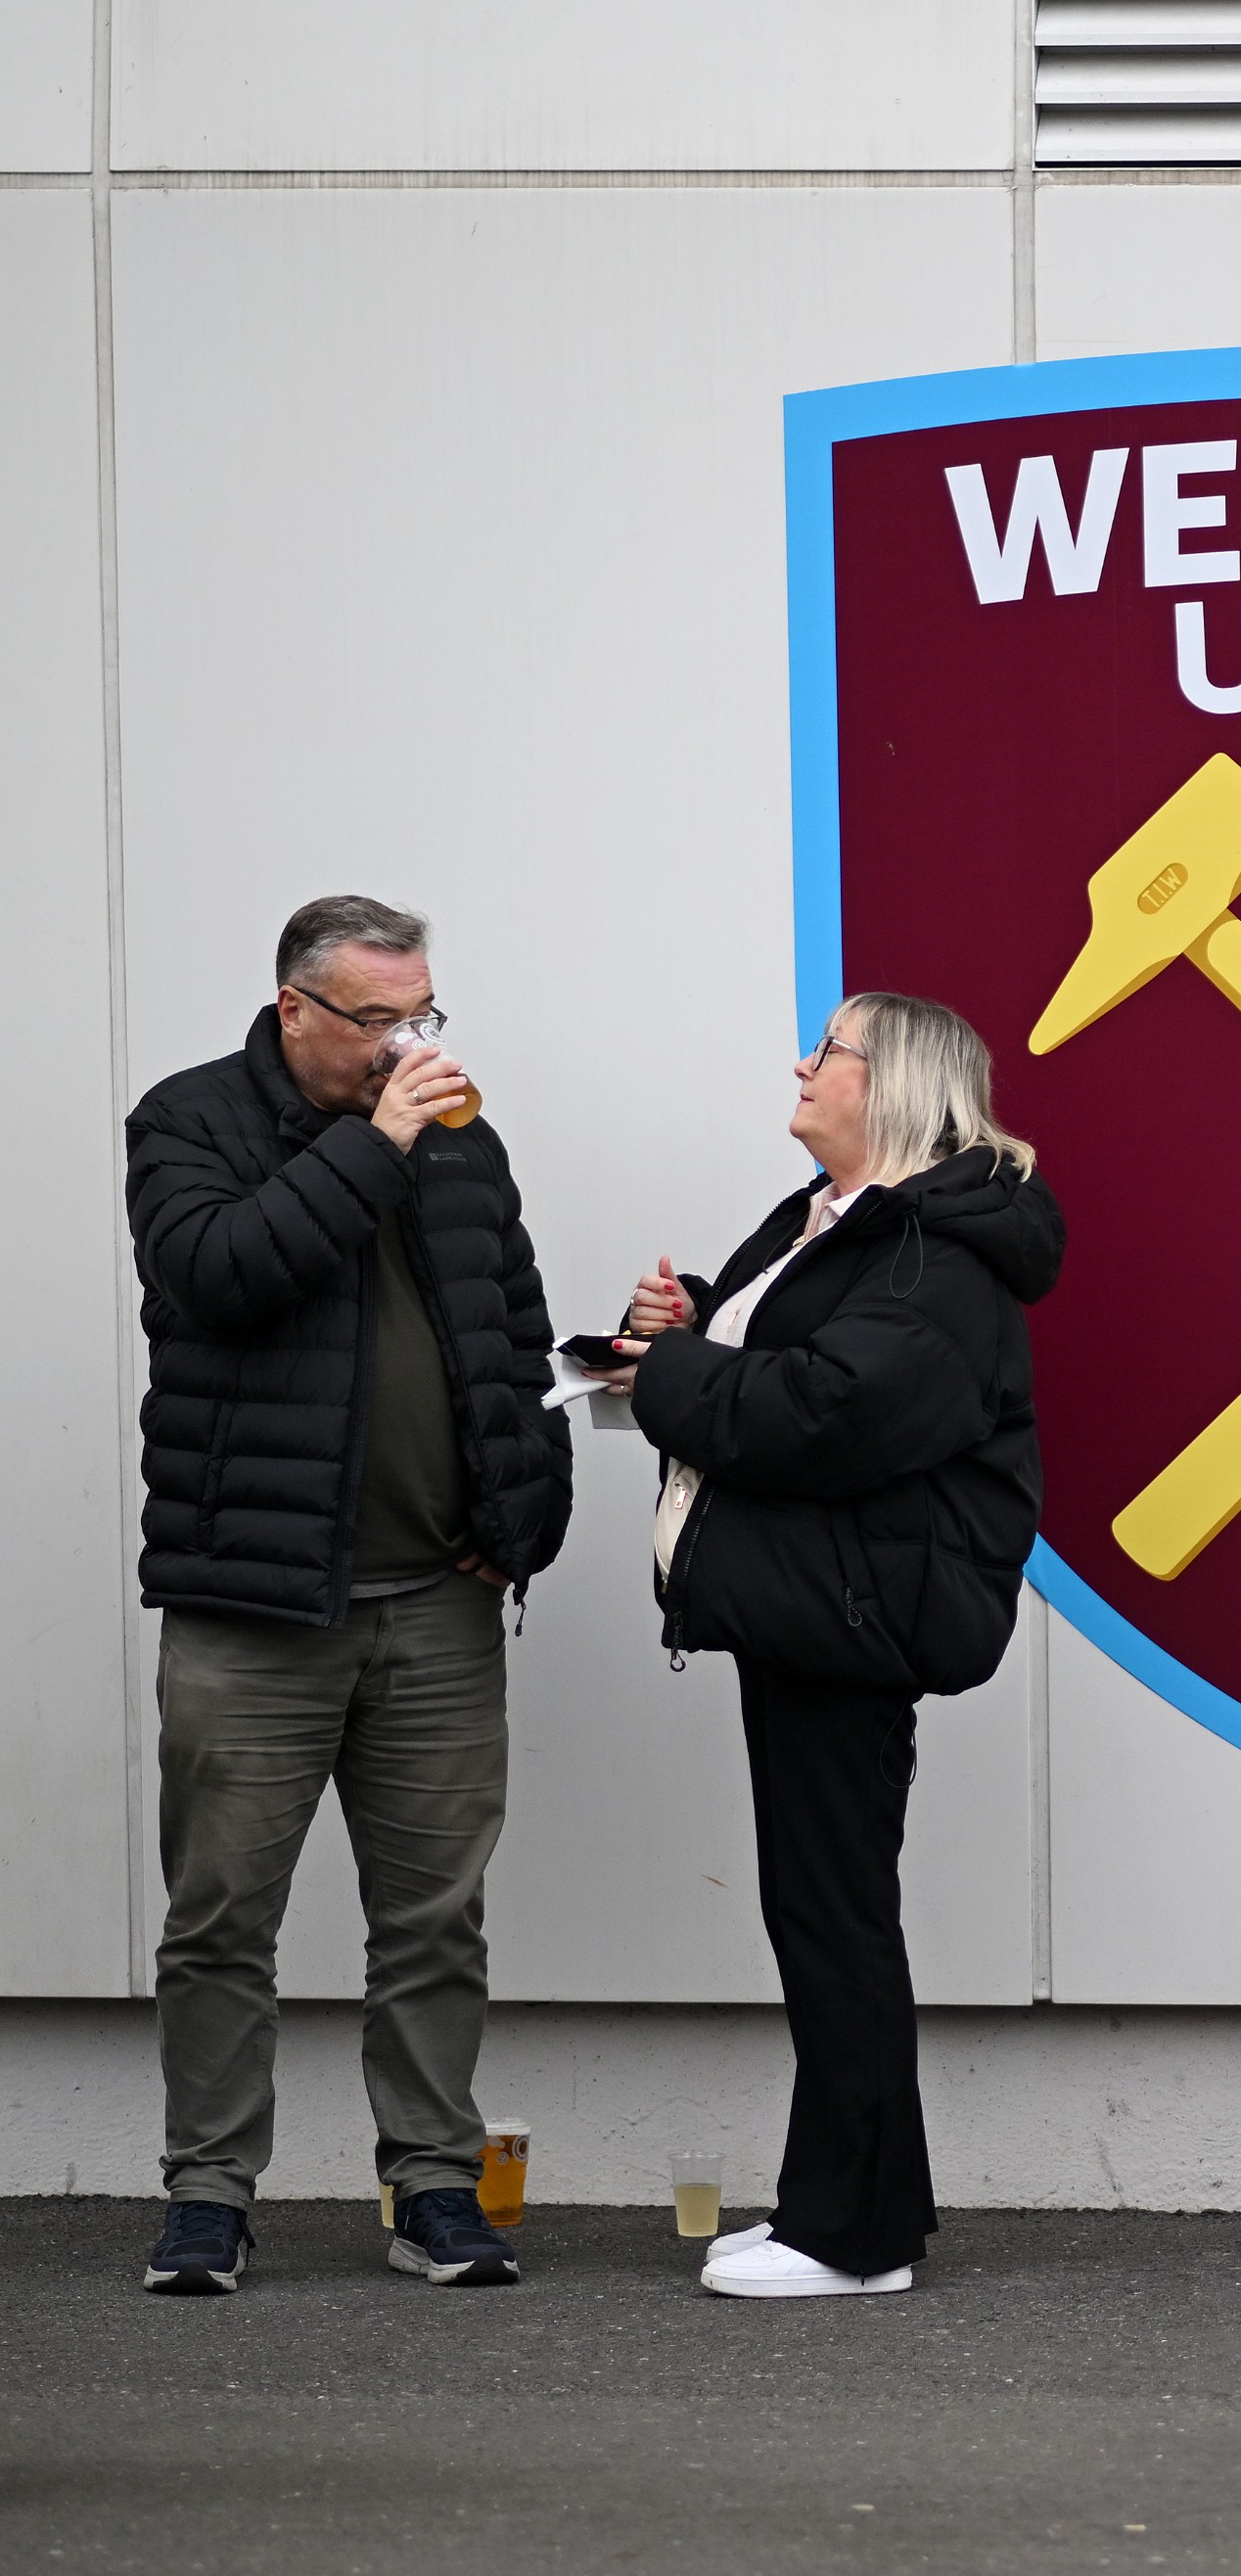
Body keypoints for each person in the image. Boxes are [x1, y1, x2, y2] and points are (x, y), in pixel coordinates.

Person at [127, 896, 572, 2296]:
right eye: (375, 1020)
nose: (404, 1045)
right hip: (256, 1607)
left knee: (434, 1916)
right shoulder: (189, 1120)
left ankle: (433, 2180)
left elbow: (508, 1330)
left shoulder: (464, 1146)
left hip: (433, 1603)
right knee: (221, 1917)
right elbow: (217, 1275)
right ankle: (209, 2191)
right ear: (294, 1009)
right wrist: (373, 1146)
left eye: (420, 1015)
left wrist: (524, 1516)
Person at [606, 992, 1063, 2300]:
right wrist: (689, 1316)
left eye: (832, 1052)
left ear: (899, 1084)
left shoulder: (935, 1259)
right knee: (825, 1906)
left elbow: (826, 1413)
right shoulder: (840, 1217)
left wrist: (667, 1366)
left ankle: (854, 2239)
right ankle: (846, 2205)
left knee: (837, 1914)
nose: (805, 1067)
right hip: (814, 1602)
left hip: (850, 1615)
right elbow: (775, 1354)